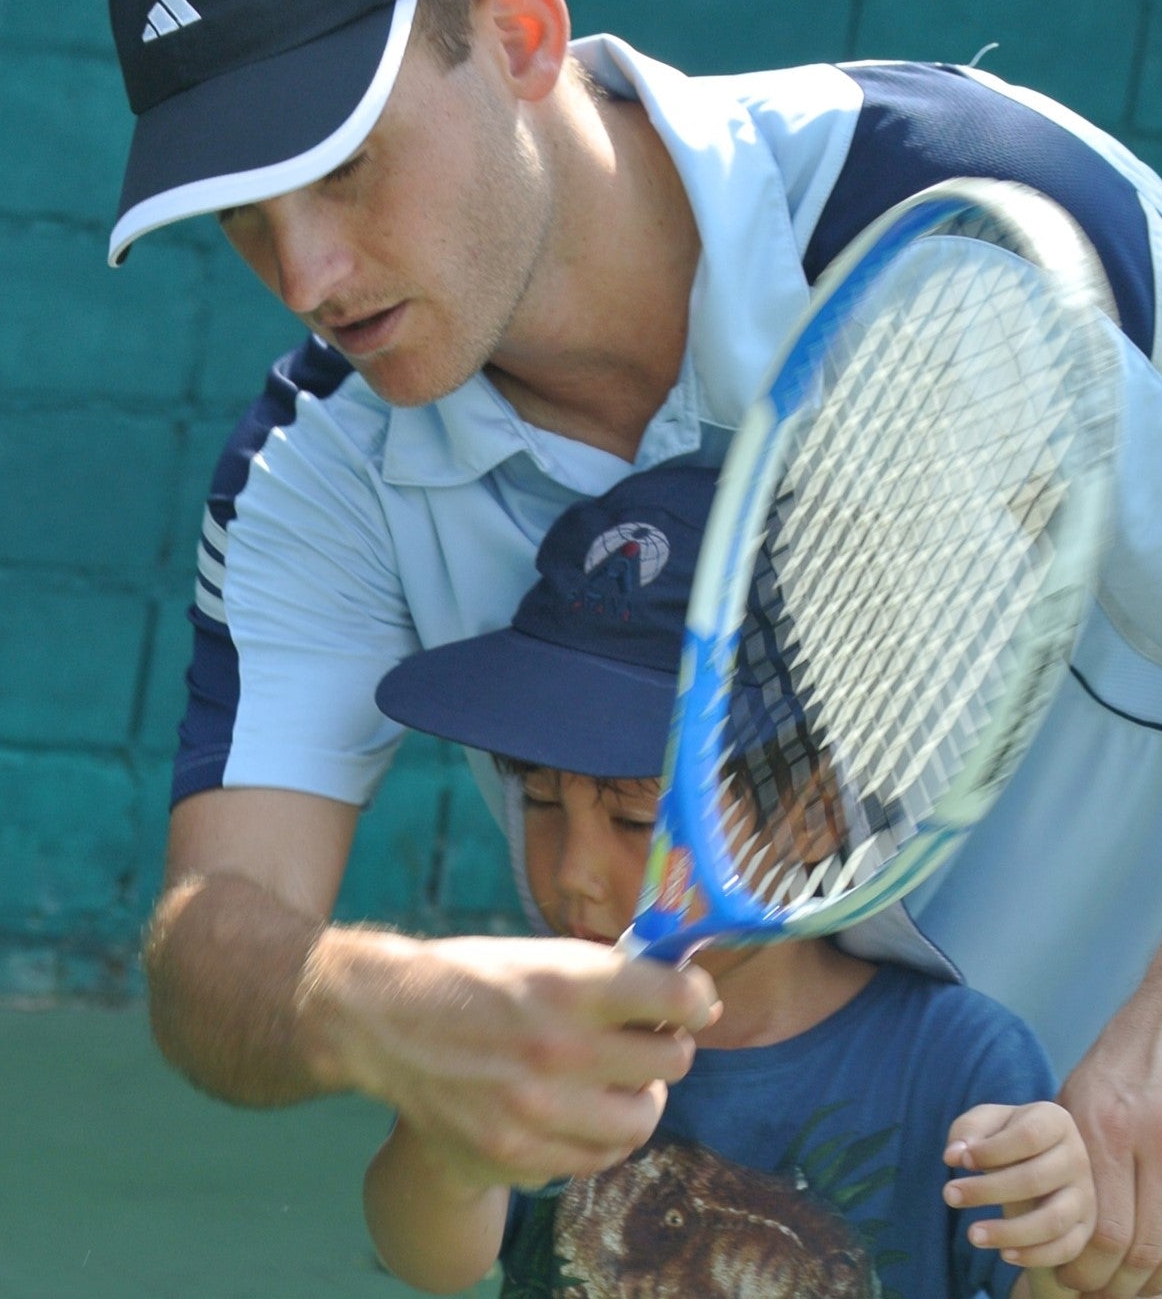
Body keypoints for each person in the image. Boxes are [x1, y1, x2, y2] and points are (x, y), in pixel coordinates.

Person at [104, 0, 1162, 1293]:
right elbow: (212, 942)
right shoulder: (313, 468)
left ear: (520, 31)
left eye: (344, 165)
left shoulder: (971, 194)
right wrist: (373, 1008)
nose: (303, 270)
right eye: (241, 209)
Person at [364, 464, 1095, 1299]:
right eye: (536, 798)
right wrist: (446, 1141)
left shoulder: (957, 1061)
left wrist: (1065, 1251)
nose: (572, 873)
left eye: (636, 822)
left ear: (815, 814)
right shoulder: (532, 1021)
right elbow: (430, 1259)